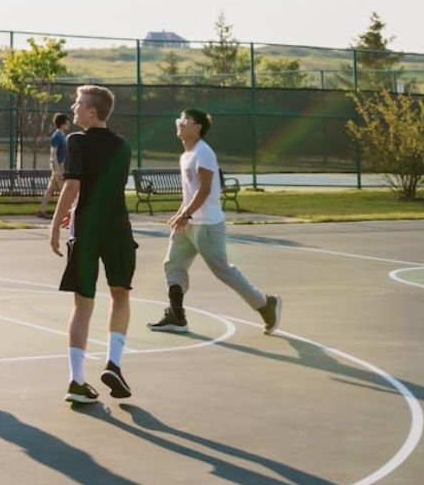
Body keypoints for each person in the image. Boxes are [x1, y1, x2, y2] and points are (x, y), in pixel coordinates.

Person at [148, 108, 282, 335]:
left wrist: (186, 214)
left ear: (198, 127)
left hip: (207, 224)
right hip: (188, 222)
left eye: (185, 120)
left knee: (222, 270)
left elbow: (205, 189)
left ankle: (265, 304)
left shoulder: (204, 152)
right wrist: (181, 213)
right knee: (173, 264)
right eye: (179, 119)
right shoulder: (186, 155)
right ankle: (176, 315)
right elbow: (189, 194)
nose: (179, 123)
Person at [48, 85, 137, 404]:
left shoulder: (77, 140)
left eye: (79, 103)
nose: (73, 107)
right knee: (120, 294)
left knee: (83, 304)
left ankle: (76, 380)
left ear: (93, 112)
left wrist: (56, 224)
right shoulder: (123, 145)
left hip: (87, 230)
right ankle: (114, 362)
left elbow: (72, 186)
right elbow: (105, 186)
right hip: (117, 229)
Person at [37, 112, 72, 219]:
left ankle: (41, 210)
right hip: (58, 167)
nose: (69, 124)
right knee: (64, 191)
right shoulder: (56, 136)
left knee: (50, 190)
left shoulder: (62, 135)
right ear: (62, 124)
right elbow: (53, 154)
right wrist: (57, 169)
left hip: (61, 166)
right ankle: (66, 213)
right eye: (67, 122)